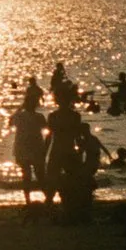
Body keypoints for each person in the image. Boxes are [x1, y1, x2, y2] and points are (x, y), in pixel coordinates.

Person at [44, 82, 89, 219]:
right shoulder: (73, 116)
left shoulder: (55, 116)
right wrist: (81, 151)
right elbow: (77, 136)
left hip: (60, 150)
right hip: (67, 150)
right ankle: (64, 203)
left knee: (53, 178)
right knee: (69, 178)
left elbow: (50, 136)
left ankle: (52, 203)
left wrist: (44, 152)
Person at [10, 83, 50, 207]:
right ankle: (48, 198)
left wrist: (20, 107)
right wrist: (46, 147)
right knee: (40, 175)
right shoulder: (39, 116)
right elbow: (48, 131)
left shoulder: (20, 116)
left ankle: (28, 200)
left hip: (22, 148)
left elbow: (10, 122)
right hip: (36, 148)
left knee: (26, 175)